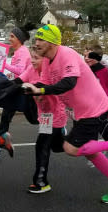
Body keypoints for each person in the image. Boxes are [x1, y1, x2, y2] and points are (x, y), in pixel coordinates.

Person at [23, 24, 108, 203]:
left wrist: (41, 91)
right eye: (36, 40)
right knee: (90, 152)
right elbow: (45, 85)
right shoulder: (48, 63)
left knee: (71, 149)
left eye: (41, 40)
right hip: (81, 113)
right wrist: (32, 89)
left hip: (95, 109)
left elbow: (69, 83)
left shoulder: (66, 54)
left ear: (52, 42)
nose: (36, 44)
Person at [18, 48, 68, 193]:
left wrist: (33, 89)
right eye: (32, 57)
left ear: (45, 60)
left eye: (36, 58)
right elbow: (18, 81)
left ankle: (41, 182)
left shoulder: (51, 72)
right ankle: (91, 148)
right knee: (58, 147)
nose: (32, 61)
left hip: (56, 114)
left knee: (42, 145)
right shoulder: (30, 70)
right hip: (45, 115)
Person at [0, 25, 33, 156]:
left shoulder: (23, 51)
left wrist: (4, 64)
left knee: (32, 115)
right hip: (17, 86)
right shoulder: (19, 51)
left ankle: (58, 127)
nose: (9, 38)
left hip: (23, 88)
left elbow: (20, 70)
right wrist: (11, 76)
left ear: (19, 38)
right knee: (6, 115)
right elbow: (19, 70)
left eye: (12, 36)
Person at [84, 45, 108, 173]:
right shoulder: (85, 70)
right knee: (91, 135)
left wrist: (101, 60)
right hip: (91, 110)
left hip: (105, 110)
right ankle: (95, 155)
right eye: (85, 55)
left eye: (90, 56)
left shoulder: (104, 70)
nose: (87, 58)